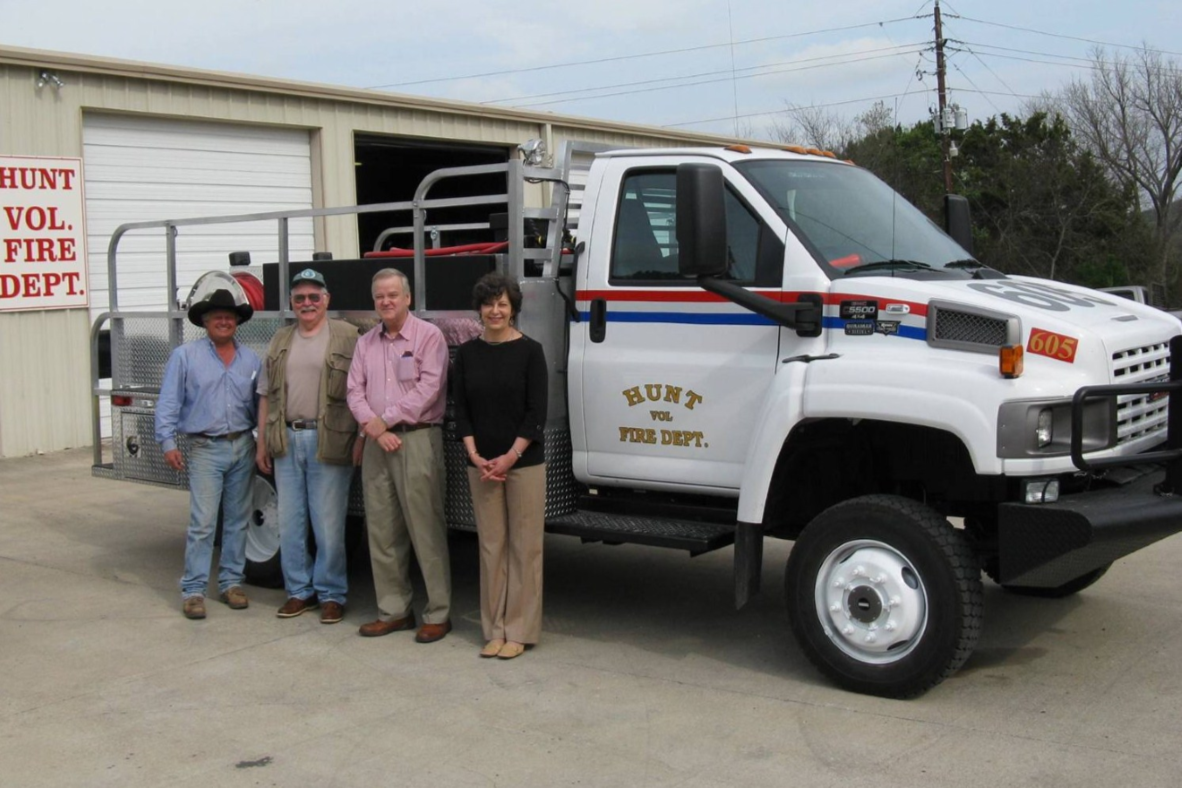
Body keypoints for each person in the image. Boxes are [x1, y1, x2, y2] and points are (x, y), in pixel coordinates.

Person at [346, 268, 452, 643]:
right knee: (382, 531)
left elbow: (428, 388)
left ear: (408, 298)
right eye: (379, 297)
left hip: (416, 440)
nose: (386, 302)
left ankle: (438, 613)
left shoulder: (429, 337)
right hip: (378, 444)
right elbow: (353, 390)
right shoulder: (366, 343)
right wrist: (374, 427)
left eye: (393, 295)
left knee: (425, 529)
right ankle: (393, 611)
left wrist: (383, 423)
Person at [256, 269, 362, 625]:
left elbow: (363, 388)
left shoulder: (348, 335)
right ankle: (298, 591)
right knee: (290, 522)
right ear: (291, 303)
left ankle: (331, 594)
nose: (307, 303)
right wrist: (262, 443)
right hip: (286, 439)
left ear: (327, 300)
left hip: (328, 438)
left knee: (329, 523)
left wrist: (362, 435)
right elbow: (265, 395)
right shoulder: (280, 340)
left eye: (314, 297)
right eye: (300, 298)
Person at [452, 272, 548, 659]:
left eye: (503, 304)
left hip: (523, 463)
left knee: (524, 548)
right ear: (479, 309)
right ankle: (494, 628)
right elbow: (462, 410)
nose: (495, 310)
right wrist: (474, 455)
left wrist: (510, 456)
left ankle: (520, 630)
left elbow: (536, 413)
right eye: (489, 304)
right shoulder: (467, 354)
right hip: (482, 464)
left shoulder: (531, 351)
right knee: (491, 548)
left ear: (513, 310)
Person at [155, 288, 262, 620]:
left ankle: (231, 583)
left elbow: (260, 406)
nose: (224, 321)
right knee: (202, 524)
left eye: (229, 317)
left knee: (237, 521)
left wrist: (261, 441)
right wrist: (168, 443)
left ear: (237, 322)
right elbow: (168, 403)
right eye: (217, 316)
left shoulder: (251, 360)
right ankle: (194, 590)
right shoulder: (185, 356)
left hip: (243, 445)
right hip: (205, 448)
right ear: (205, 321)